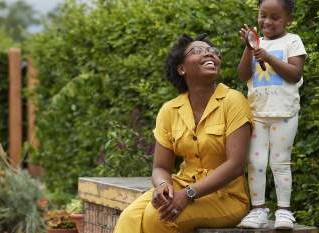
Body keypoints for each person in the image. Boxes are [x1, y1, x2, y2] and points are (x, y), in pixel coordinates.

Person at [114, 34, 254, 233]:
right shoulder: (170, 110)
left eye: (213, 52)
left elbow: (235, 165)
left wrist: (189, 193)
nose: (209, 54)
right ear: (181, 69)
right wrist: (163, 186)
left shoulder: (233, 101)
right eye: (198, 50)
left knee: (158, 218)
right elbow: (161, 167)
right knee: (130, 218)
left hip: (226, 197)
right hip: (181, 186)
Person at [235, 0, 307, 230]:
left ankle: (284, 211)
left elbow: (294, 74)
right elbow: (242, 75)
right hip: (257, 113)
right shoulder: (256, 44)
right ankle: (258, 210)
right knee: (255, 162)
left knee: (280, 162)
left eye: (275, 17)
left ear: (288, 20)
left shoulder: (292, 41)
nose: (267, 21)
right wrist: (249, 48)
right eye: (263, 15)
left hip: (284, 113)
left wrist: (268, 57)